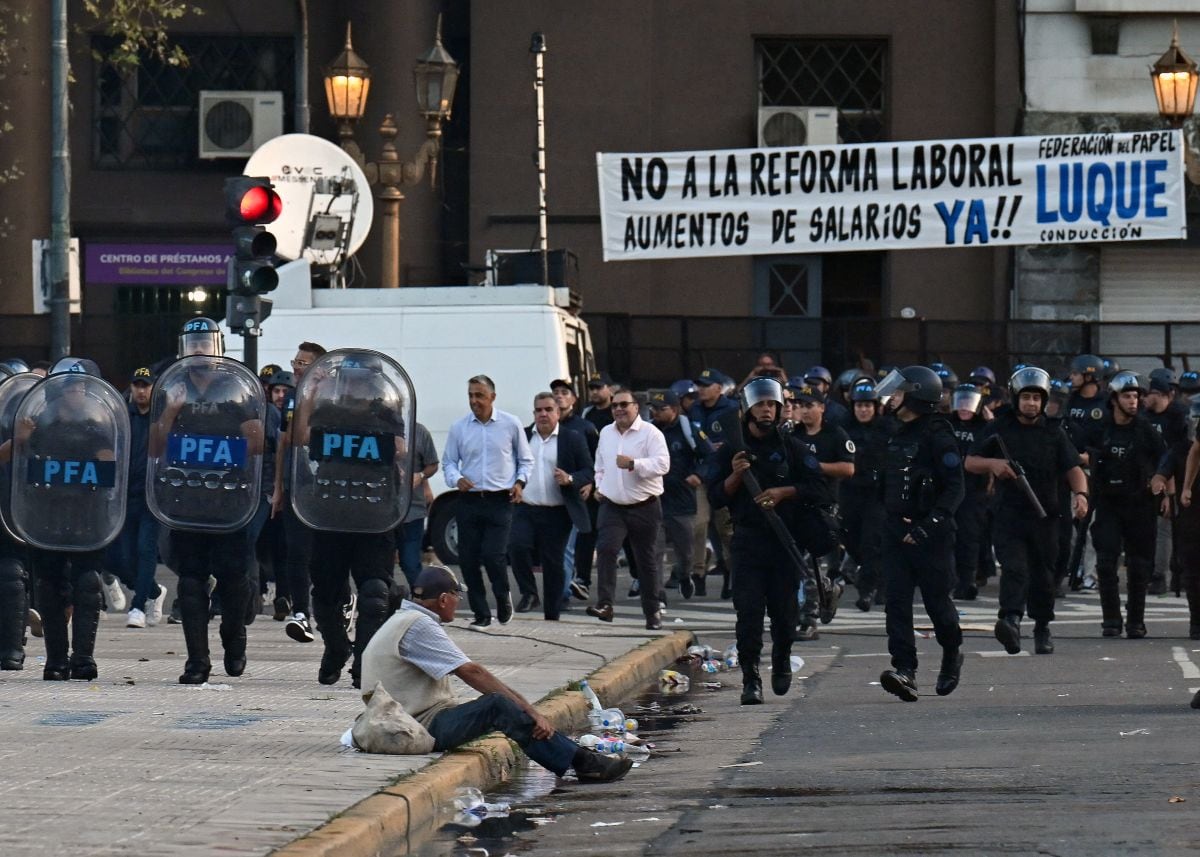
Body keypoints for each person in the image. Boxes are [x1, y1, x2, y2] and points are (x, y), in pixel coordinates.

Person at [359, 566, 633, 782]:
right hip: (414, 727)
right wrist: (531, 711)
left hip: (402, 720)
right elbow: (472, 671)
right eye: (457, 596)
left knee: (502, 705)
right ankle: (582, 763)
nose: (457, 602)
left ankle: (579, 757)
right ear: (444, 599)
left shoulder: (403, 618)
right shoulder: (419, 625)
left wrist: (525, 709)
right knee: (498, 706)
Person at [149, 318, 265, 684]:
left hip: (229, 501)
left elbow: (258, 442)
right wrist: (171, 411)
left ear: (217, 347)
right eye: (192, 342)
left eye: (205, 342)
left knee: (234, 580)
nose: (199, 349)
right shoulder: (170, 387)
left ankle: (234, 637)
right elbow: (154, 445)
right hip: (185, 500)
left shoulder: (236, 390)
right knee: (190, 582)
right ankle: (197, 661)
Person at [708, 378, 829, 704]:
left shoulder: (792, 448)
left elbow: (819, 488)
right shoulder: (733, 449)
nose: (767, 410)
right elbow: (715, 496)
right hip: (747, 541)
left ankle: (781, 662)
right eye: (761, 404)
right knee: (748, 614)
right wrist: (735, 475)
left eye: (772, 405)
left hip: (784, 542)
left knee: (785, 613)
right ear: (748, 409)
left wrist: (784, 492)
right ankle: (751, 678)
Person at [10, 358, 127, 681]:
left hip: (87, 516)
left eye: (79, 386)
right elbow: (8, 457)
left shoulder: (99, 427)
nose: (73, 392)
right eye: (68, 387)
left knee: (88, 584)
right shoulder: (38, 426)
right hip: (46, 516)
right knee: (49, 588)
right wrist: (21, 438)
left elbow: (112, 467)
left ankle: (83, 658)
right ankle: (56, 660)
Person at [966, 367, 1088, 655]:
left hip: (1046, 516)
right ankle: (1010, 619)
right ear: (1016, 398)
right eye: (1026, 397)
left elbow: (1073, 469)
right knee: (1014, 568)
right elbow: (970, 461)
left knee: (1045, 575)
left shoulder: (1054, 432)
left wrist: (1081, 495)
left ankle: (1042, 627)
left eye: (1037, 398)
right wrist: (993, 465)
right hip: (1009, 514)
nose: (1031, 403)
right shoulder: (998, 428)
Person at [875, 366, 965, 702]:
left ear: (916, 394)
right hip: (896, 530)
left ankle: (952, 652)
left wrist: (930, 526)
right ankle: (905, 670)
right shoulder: (895, 433)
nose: (892, 397)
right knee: (896, 603)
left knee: (936, 603)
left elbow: (955, 488)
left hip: (932, 536)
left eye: (899, 392)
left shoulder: (939, 436)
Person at [1082, 371, 1167, 639]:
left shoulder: (1146, 431)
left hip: (1139, 504)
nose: (1133, 401)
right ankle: (1111, 619)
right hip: (1108, 501)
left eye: (1136, 396)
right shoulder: (1100, 429)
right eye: (1127, 396)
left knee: (1139, 565)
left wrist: (1161, 488)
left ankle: (1136, 621)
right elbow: (1079, 454)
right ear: (1114, 399)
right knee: (1106, 562)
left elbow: (1165, 460)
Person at [443, 375, 533, 627]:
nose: (474, 401)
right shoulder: (460, 427)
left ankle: (502, 595)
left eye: (479, 395)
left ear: (492, 397)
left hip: (499, 500)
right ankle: (481, 612)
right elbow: (449, 461)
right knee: (469, 560)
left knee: (493, 555)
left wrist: (520, 482)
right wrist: (456, 478)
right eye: (471, 395)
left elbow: (526, 459)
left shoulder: (510, 424)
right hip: (469, 500)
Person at [587, 388, 670, 628]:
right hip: (613, 505)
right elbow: (600, 464)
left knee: (646, 561)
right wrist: (600, 485)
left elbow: (663, 464)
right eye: (615, 406)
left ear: (636, 406)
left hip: (645, 505)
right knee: (606, 549)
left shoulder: (650, 433)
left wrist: (634, 464)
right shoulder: (606, 432)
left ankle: (652, 612)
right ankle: (605, 604)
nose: (619, 410)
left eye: (624, 405)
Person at [510, 392, 593, 620]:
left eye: (548, 409)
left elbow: (588, 471)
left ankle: (552, 613)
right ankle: (529, 592)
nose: (543, 414)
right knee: (517, 546)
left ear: (558, 413)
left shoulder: (572, 438)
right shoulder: (524, 437)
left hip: (558, 510)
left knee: (553, 562)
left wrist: (570, 479)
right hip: (526, 507)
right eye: (538, 410)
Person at [271, 341, 327, 639]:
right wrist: (279, 487)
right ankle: (301, 612)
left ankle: (338, 602)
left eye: (302, 363)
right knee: (296, 552)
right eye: (295, 361)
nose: (295, 366)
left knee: (324, 555)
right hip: (297, 485)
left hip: (325, 486)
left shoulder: (332, 398)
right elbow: (284, 443)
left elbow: (303, 438)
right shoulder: (292, 398)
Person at [790, 382, 854, 637]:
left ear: (821, 408)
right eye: (800, 406)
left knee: (811, 562)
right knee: (797, 563)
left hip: (824, 506)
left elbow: (848, 469)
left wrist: (817, 467)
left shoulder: (835, 434)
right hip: (796, 504)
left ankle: (810, 618)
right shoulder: (793, 434)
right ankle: (826, 592)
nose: (804, 411)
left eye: (809, 406)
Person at [113, 367, 166, 629]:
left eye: (146, 385)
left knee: (145, 549)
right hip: (127, 493)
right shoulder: (123, 416)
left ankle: (138, 605)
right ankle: (153, 592)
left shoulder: (161, 417)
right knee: (123, 556)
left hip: (152, 495)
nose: (141, 391)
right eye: (137, 385)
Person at [648, 389, 710, 599]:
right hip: (655, 500)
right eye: (653, 409)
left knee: (685, 552)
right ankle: (657, 595)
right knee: (654, 551)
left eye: (661, 409)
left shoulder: (688, 430)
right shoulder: (649, 431)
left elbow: (710, 456)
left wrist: (698, 475)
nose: (655, 412)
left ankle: (684, 575)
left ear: (674, 410)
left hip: (682, 501)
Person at [689, 368, 739, 598]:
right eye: (699, 385)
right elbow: (696, 443)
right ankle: (698, 573)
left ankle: (731, 572)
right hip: (701, 475)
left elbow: (730, 445)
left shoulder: (731, 409)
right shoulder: (694, 410)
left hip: (723, 476)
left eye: (706, 385)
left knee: (726, 530)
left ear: (719, 389)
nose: (700, 389)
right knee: (699, 524)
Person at [841, 380, 889, 611]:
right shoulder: (843, 427)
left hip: (876, 494)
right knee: (850, 539)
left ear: (875, 406)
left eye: (868, 405)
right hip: (849, 491)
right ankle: (876, 575)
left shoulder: (886, 428)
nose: (863, 410)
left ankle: (867, 589)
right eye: (859, 405)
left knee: (873, 542)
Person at [1143, 369, 1188, 597]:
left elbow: (1176, 455)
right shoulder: (1146, 417)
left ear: (1163, 395)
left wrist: (1170, 491)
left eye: (1149, 393)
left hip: (1172, 478)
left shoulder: (1178, 416)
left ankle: (1164, 576)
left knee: (1167, 530)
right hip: (1149, 478)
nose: (1143, 398)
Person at [947, 382, 990, 601]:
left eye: (969, 402)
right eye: (960, 402)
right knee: (946, 536)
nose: (964, 407)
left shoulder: (984, 428)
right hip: (948, 488)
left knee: (969, 538)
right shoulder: (946, 425)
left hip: (974, 491)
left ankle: (967, 581)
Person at [395, 420, 439, 591]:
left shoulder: (419, 431)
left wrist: (420, 476)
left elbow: (433, 464)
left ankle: (423, 600)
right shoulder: (378, 428)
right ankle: (383, 605)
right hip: (383, 513)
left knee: (411, 563)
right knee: (380, 567)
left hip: (412, 510)